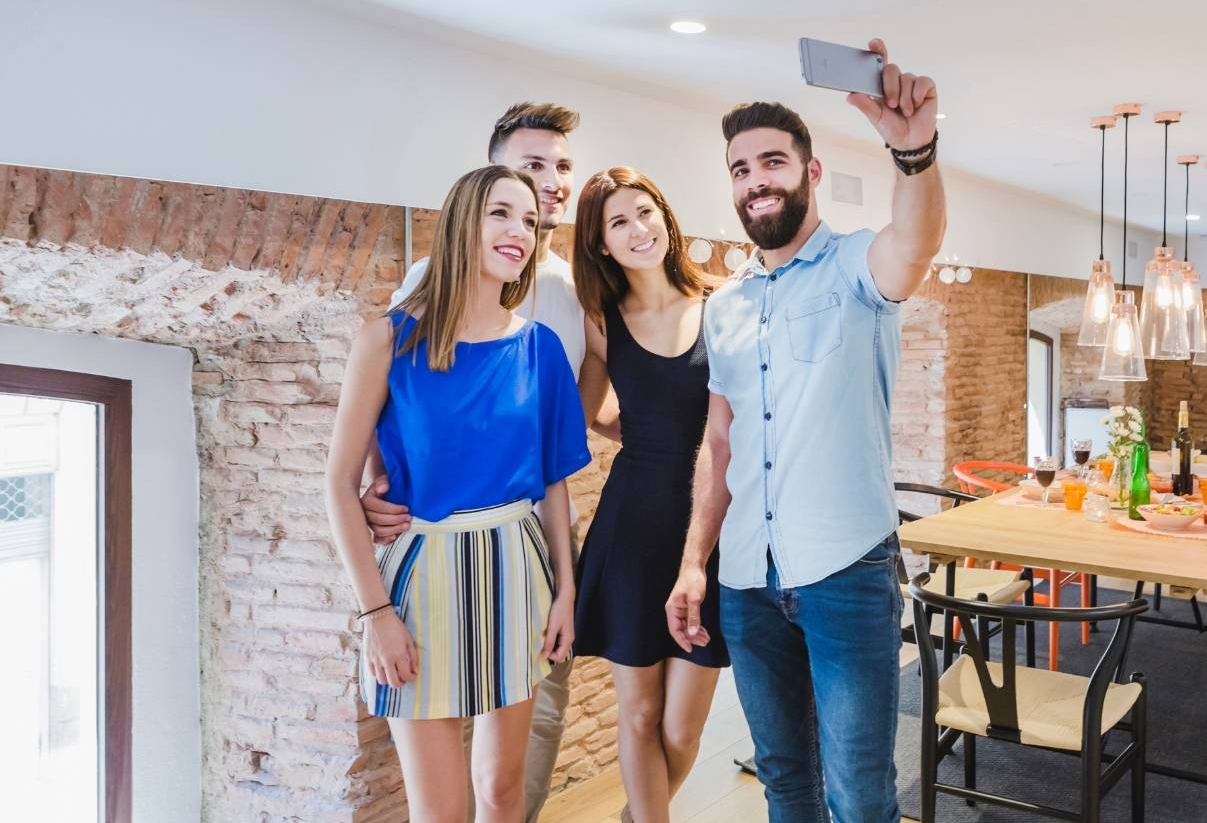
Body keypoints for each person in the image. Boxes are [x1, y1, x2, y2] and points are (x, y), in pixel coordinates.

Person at [665, 40, 946, 822]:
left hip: (844, 571)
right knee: (784, 780)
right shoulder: (722, 307)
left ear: (809, 172)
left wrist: (913, 154)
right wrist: (694, 564)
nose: (756, 180)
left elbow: (915, 242)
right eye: (740, 169)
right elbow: (718, 447)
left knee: (858, 791)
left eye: (772, 162)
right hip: (746, 579)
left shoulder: (857, 267)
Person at [361, 102, 614, 821]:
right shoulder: (418, 290)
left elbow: (573, 426)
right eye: (531, 167)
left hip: (528, 550)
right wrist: (367, 487)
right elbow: (390, 408)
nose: (549, 183)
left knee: (511, 780)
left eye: (561, 167)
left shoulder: (570, 293)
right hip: (428, 546)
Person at [570, 167, 729, 823]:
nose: (639, 230)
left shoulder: (722, 305)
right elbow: (583, 415)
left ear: (665, 217)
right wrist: (638, 432)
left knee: (682, 731)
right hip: (630, 527)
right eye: (619, 222)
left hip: (710, 531)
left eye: (646, 212)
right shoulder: (602, 321)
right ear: (601, 243)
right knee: (636, 713)